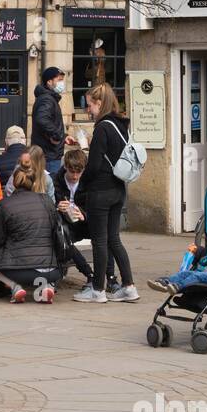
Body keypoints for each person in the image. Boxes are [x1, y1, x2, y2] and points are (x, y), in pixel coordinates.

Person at [74, 83, 138, 303]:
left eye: (89, 105)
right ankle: (129, 286)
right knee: (114, 239)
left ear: (99, 103)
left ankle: (98, 290)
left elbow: (93, 166)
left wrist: (82, 187)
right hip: (118, 189)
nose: (88, 110)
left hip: (100, 191)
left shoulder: (102, 127)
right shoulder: (121, 125)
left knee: (100, 241)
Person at [0, 161, 62, 304]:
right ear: (34, 183)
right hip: (52, 270)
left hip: (18, 271)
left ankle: (16, 287)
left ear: (14, 183)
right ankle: (47, 286)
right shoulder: (47, 201)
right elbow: (56, 232)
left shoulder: (4, 204)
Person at [52, 147, 94, 285]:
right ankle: (89, 273)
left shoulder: (89, 182)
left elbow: (97, 209)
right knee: (62, 237)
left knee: (104, 237)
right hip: (66, 224)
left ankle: (109, 278)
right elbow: (48, 205)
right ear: (65, 167)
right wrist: (57, 207)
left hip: (85, 224)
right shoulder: (56, 180)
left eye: (79, 172)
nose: (75, 176)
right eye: (72, 172)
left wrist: (84, 215)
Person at [31, 66, 74, 175]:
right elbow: (42, 119)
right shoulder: (47, 99)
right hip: (49, 155)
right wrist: (56, 135)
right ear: (49, 82)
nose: (62, 83)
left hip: (49, 153)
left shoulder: (49, 98)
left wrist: (63, 137)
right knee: (50, 187)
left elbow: (49, 123)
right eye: (59, 80)